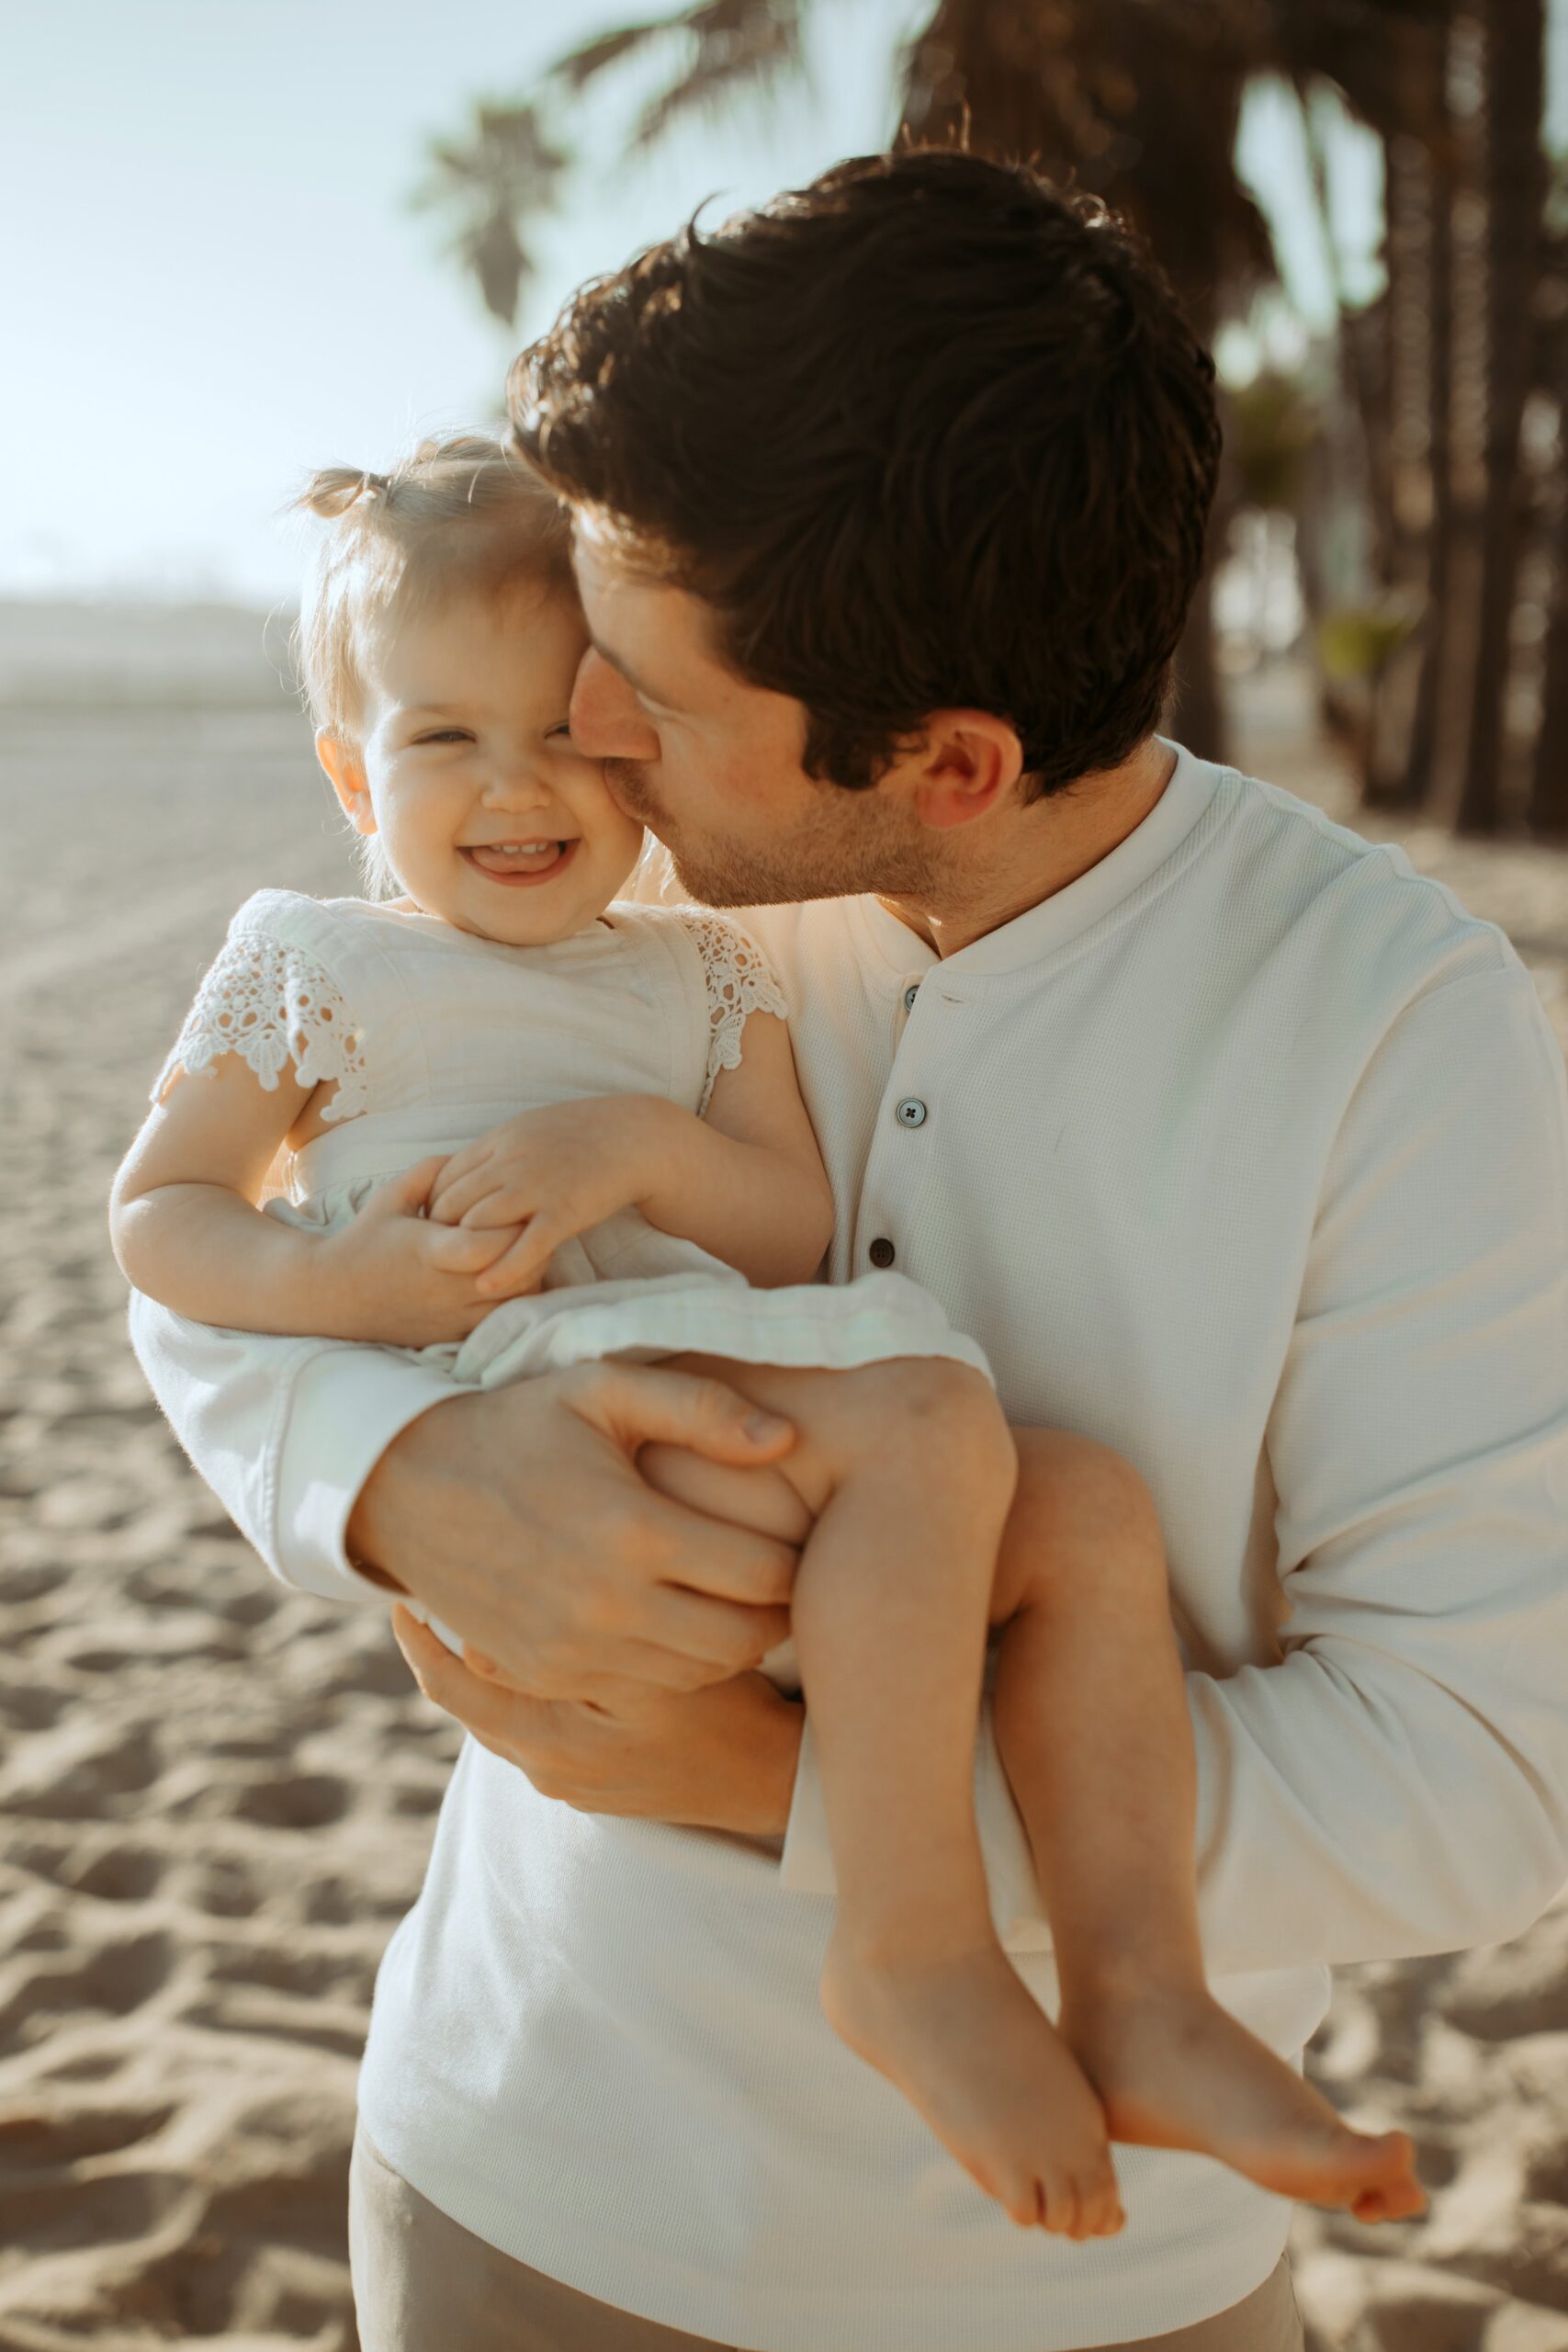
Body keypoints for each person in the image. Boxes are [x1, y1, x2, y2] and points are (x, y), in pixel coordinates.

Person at [125, 151, 1568, 2352]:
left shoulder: (1390, 1021)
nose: (584, 741)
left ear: (949, 761)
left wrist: (762, 1781)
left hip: (1089, 2285)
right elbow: (244, 1223)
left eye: (649, 698)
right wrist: (393, 1480)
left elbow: (1484, 1778)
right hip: (523, 2170)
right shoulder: (617, 878)